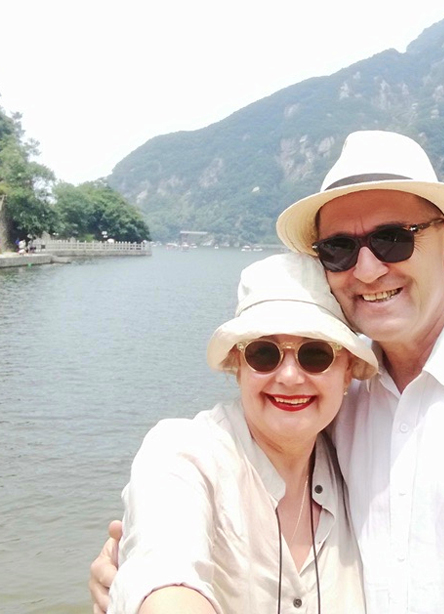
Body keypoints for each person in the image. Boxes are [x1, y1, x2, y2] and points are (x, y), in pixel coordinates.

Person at [92, 130, 444, 613]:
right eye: (339, 249)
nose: (368, 269)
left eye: (393, 239)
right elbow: (187, 518)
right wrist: (136, 578)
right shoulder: (343, 399)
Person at [106, 252, 376, 614]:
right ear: (238, 364)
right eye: (264, 354)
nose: (289, 377)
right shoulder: (183, 453)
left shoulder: (362, 460)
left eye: (316, 354)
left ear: (347, 371)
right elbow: (164, 570)